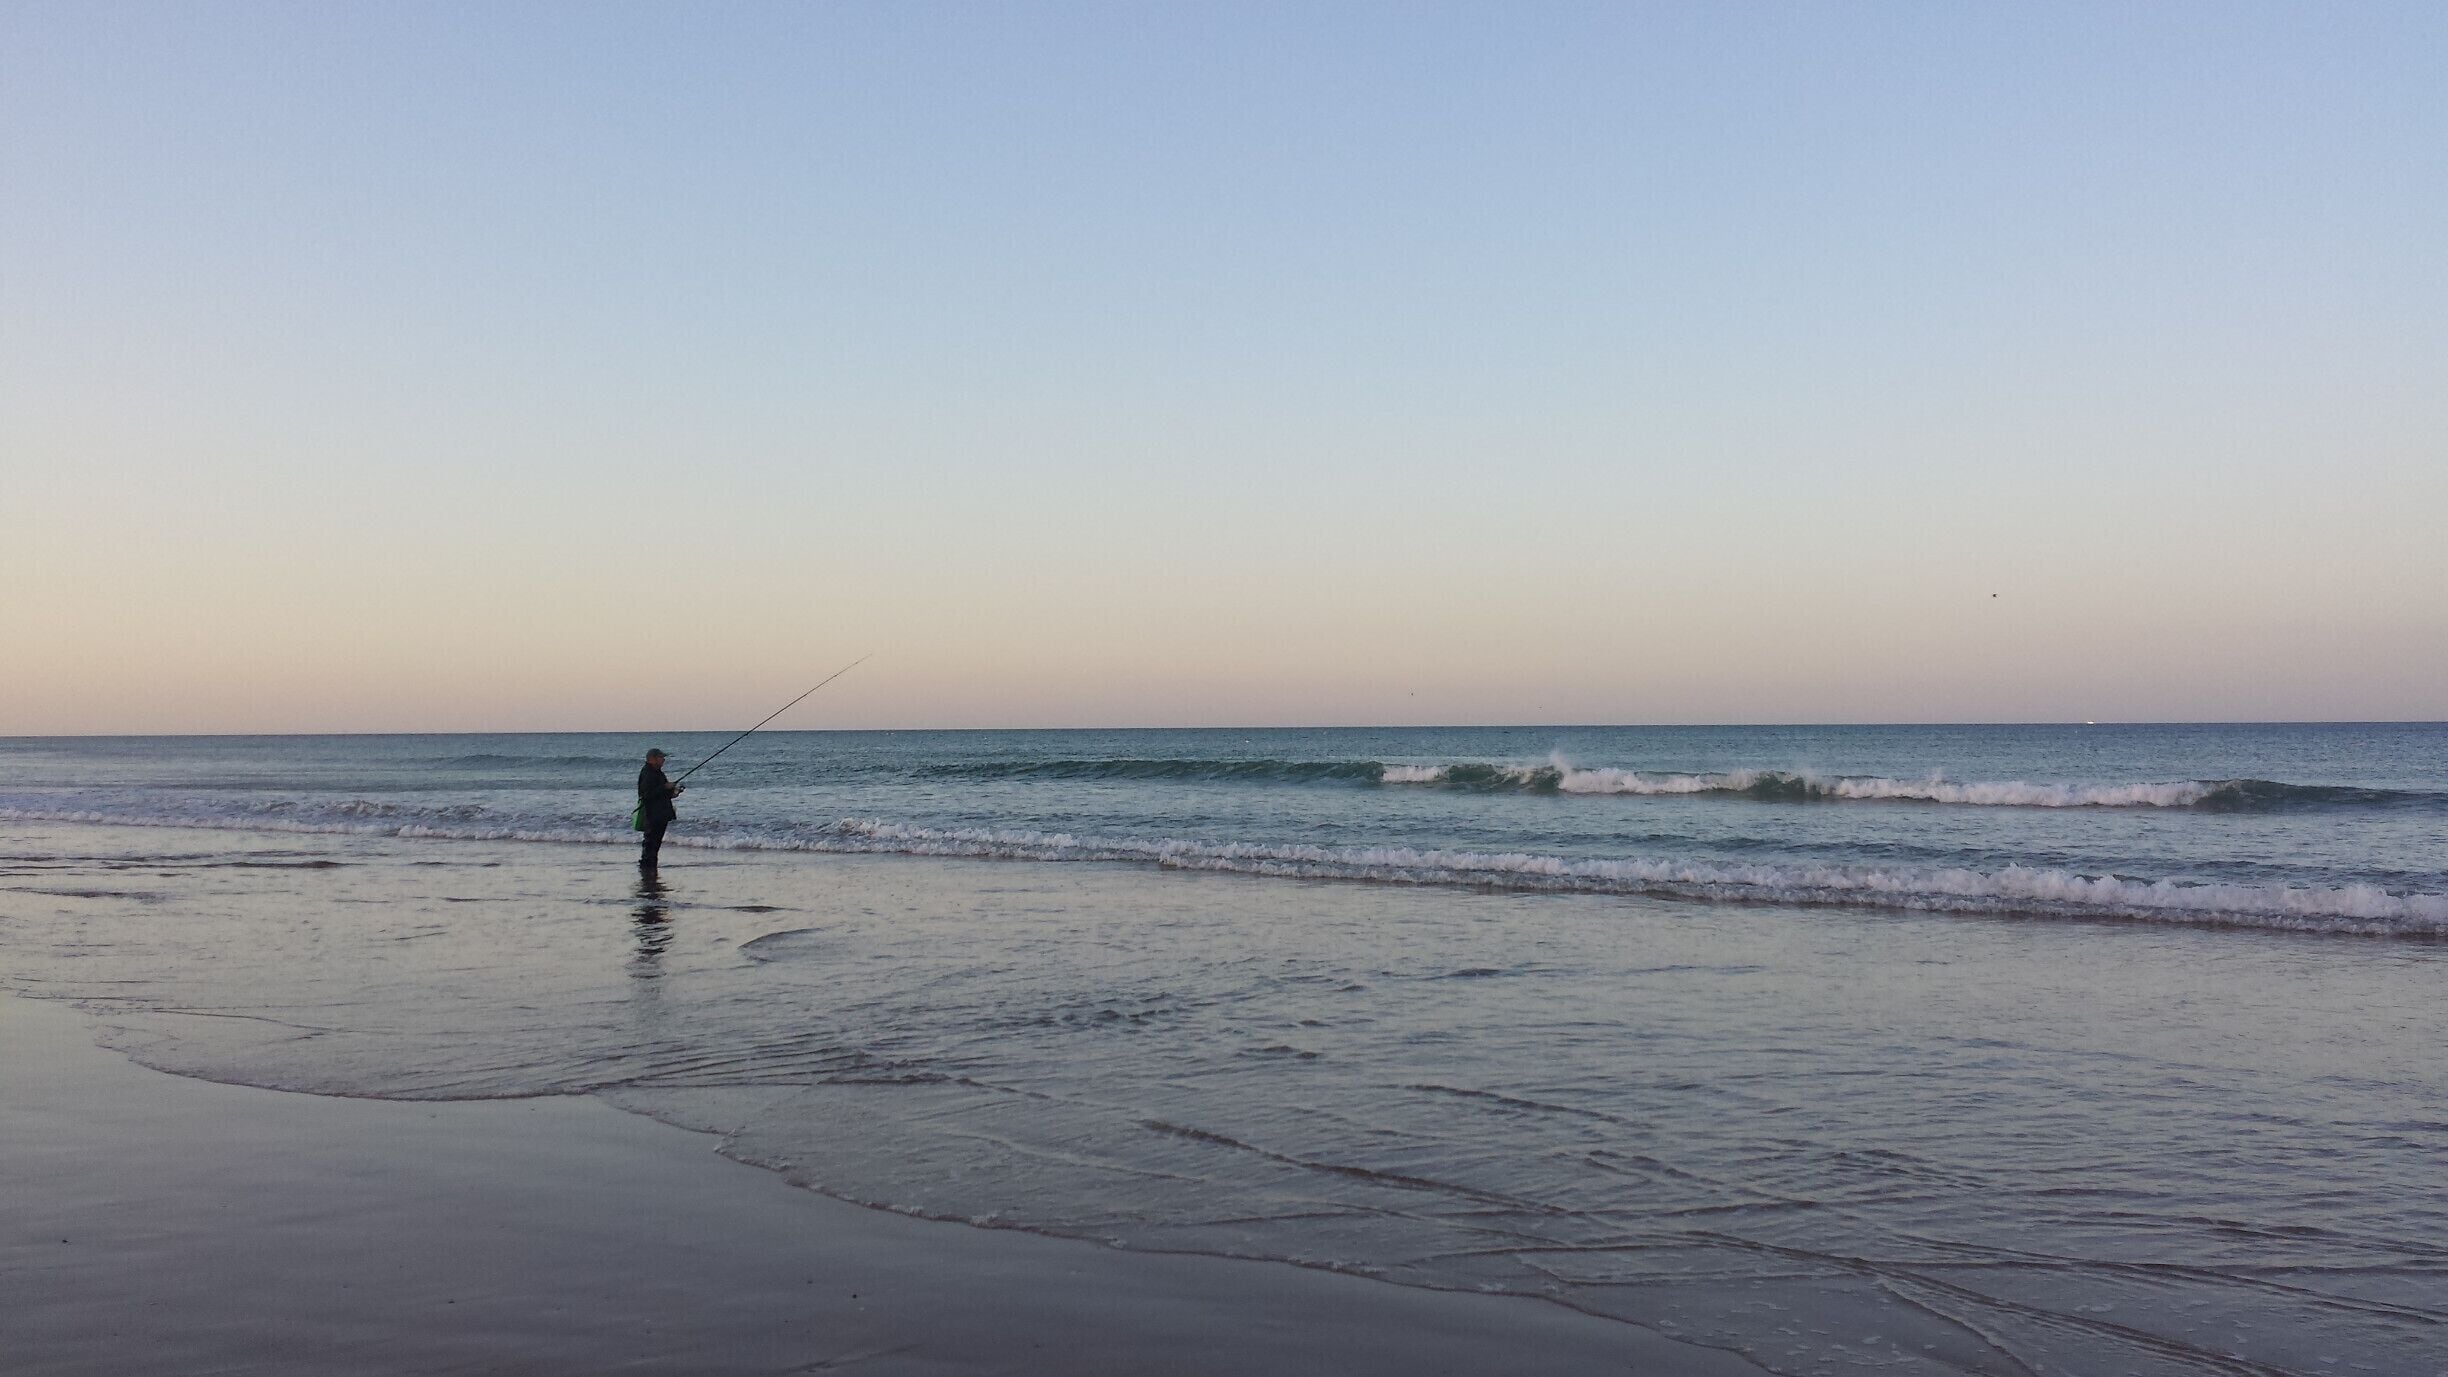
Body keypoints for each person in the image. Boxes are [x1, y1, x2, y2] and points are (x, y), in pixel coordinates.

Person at [636, 749, 684, 870]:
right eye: (661, 757)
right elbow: (646, 794)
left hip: (661, 814)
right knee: (650, 842)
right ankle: (647, 867)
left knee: (655, 843)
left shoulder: (658, 772)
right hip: (653, 814)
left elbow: (663, 793)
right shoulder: (647, 773)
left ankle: (650, 866)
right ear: (652, 759)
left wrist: (674, 792)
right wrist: (665, 787)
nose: (663, 760)